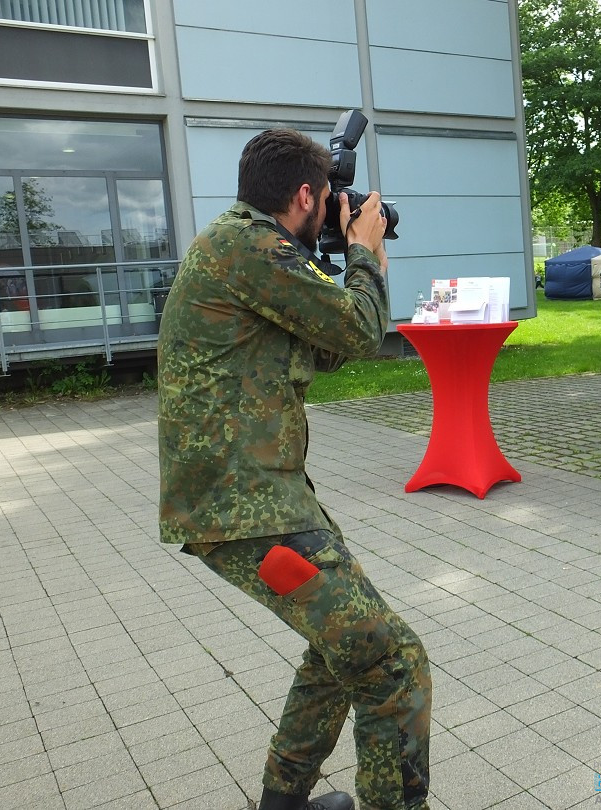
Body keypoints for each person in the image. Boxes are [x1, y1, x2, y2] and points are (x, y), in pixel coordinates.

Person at [156, 129, 430, 810]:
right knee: (390, 660)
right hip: (243, 507)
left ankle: (283, 802)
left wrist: (363, 255)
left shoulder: (247, 249)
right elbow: (362, 331)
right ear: (306, 194)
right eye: (329, 200)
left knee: (340, 649)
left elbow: (335, 345)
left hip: (260, 498)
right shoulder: (249, 247)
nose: (335, 209)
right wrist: (363, 246)